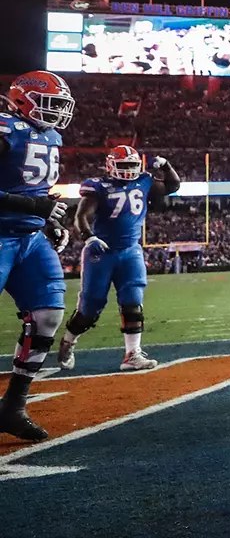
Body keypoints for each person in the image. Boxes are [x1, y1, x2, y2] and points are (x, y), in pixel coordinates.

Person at [57, 146, 181, 371]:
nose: (128, 171)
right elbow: (81, 216)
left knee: (133, 302)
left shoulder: (144, 181)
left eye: (132, 166)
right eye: (123, 166)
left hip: (130, 251)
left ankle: (132, 354)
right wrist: (88, 237)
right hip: (101, 251)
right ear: (111, 166)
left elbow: (172, 186)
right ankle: (68, 341)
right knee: (90, 309)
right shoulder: (99, 187)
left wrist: (166, 166)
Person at [0, 70, 75, 441]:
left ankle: (12, 407)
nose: (58, 112)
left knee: (47, 316)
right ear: (22, 99)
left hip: (29, 237)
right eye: (51, 104)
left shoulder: (50, 135)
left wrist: (45, 220)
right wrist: (33, 205)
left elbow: (38, 191)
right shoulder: (5, 129)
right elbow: (31, 196)